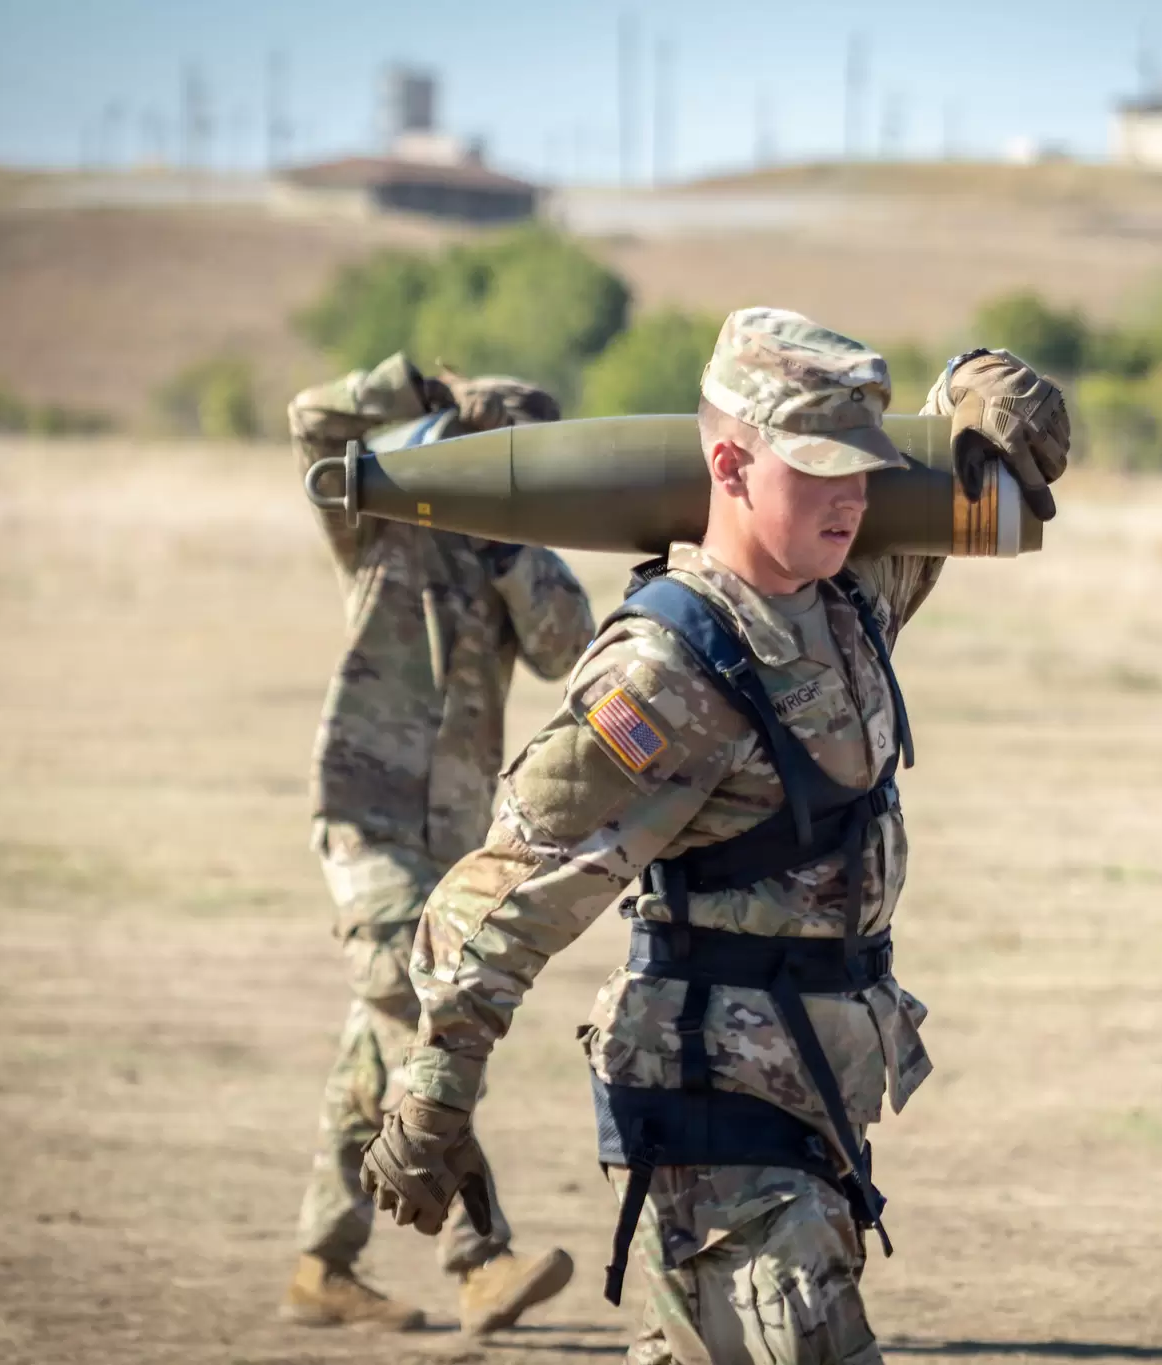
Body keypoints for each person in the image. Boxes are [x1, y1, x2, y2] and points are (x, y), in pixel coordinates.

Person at [355, 309, 1070, 1362]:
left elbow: (968, 441)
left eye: (864, 469)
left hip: (811, 1103)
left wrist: (980, 386)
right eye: (817, 470)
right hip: (709, 1116)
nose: (852, 497)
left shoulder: (843, 603)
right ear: (728, 463)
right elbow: (501, 894)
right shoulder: (665, 672)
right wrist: (433, 1098)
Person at [281, 355, 595, 1334]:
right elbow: (310, 421)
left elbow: (565, 645)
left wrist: (504, 537)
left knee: (372, 1052)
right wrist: (410, 390)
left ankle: (320, 1263)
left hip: (448, 841)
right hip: (364, 820)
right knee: (423, 1028)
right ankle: (478, 1256)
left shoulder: (508, 559)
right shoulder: (378, 524)